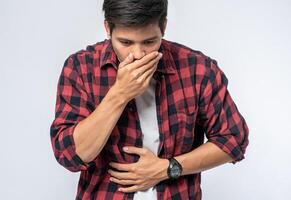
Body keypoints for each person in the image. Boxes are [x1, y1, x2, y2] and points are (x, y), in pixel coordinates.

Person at [50, 0, 249, 199]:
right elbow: (69, 156)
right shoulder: (81, 68)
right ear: (108, 29)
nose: (138, 54)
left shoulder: (198, 68)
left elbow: (233, 139)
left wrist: (169, 168)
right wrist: (120, 94)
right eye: (125, 43)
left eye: (149, 42)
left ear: (163, 27)